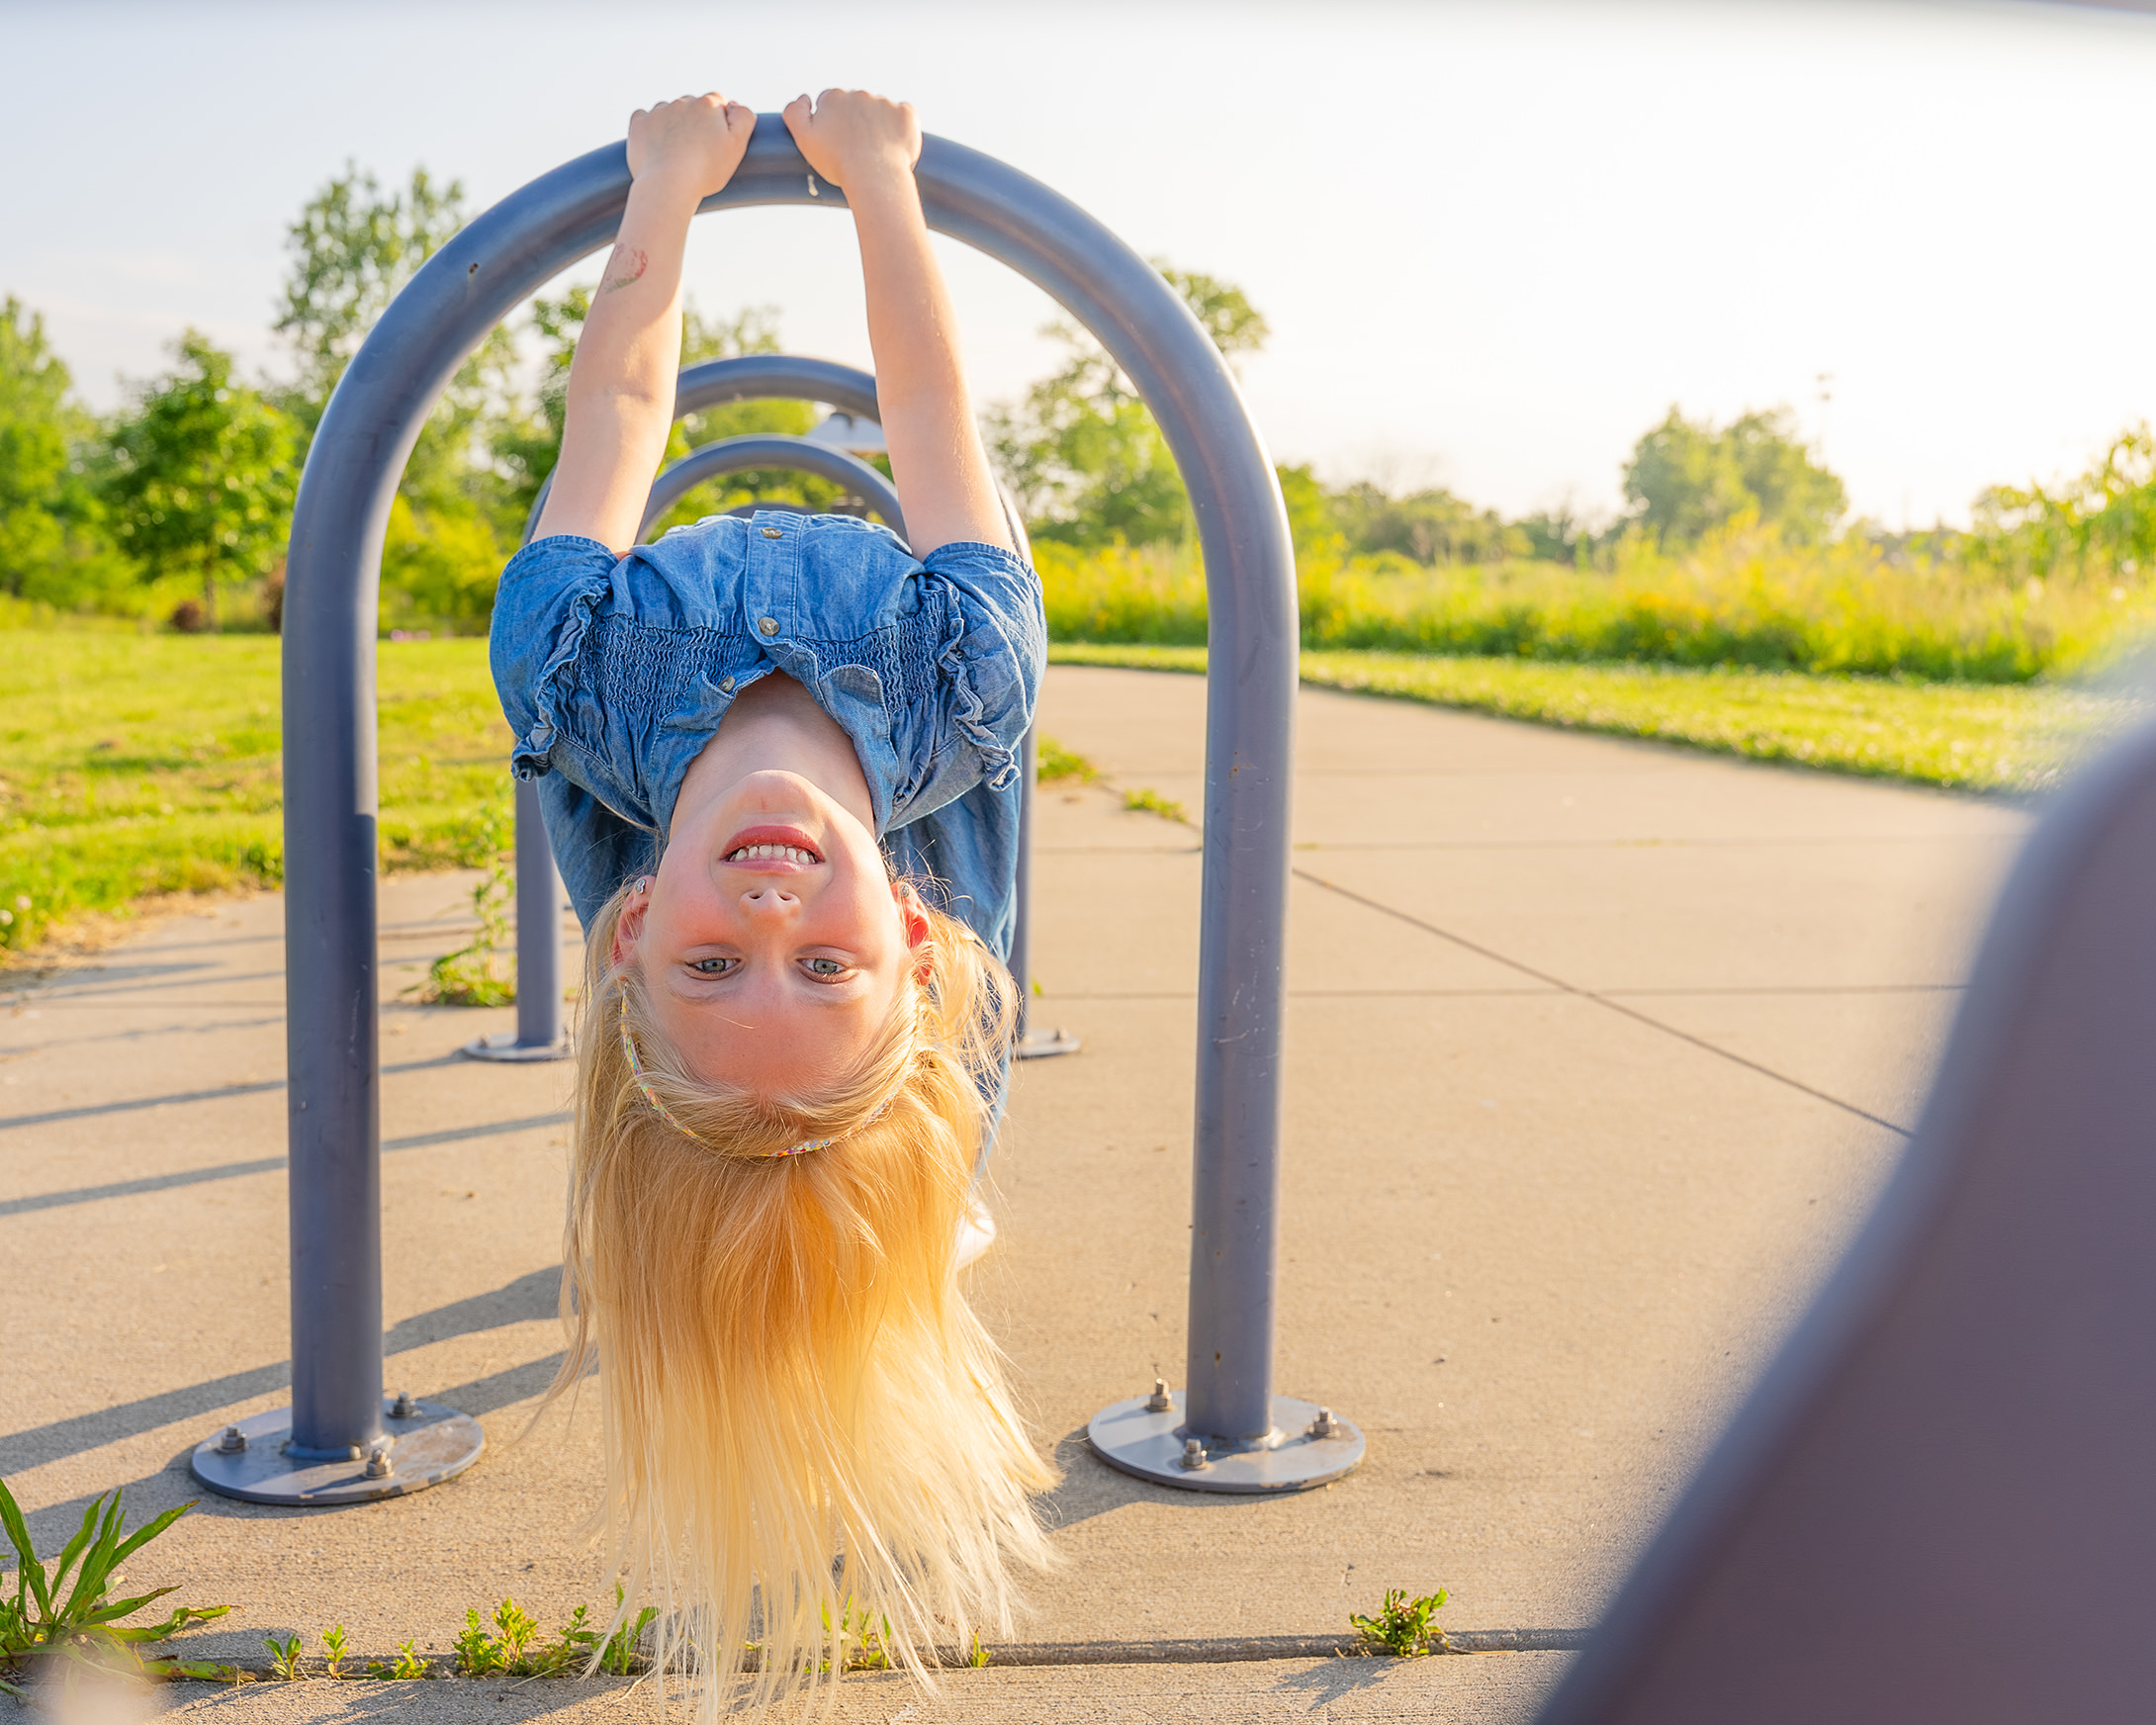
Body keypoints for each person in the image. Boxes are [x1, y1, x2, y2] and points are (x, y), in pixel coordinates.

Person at [489, 89, 1057, 1710]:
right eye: (822, 963)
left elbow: (616, 405)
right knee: (922, 1073)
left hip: (626, 720)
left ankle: (897, 1205)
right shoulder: (963, 682)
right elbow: (932, 408)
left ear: (630, 930)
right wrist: (881, 179)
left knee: (825, 1105)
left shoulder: (576, 676)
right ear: (911, 937)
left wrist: (666, 185)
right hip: (938, 730)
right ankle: (918, 1193)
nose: (771, 908)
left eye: (714, 961)